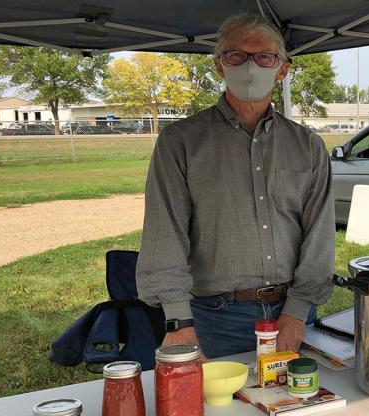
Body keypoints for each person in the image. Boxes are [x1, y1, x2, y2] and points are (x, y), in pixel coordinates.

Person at [135, 13, 335, 360]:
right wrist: (178, 319)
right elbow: (164, 234)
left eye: (264, 57)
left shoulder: (308, 145)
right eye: (236, 56)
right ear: (219, 66)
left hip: (292, 313)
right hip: (216, 317)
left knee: (296, 407)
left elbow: (319, 234)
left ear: (282, 69)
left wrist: (298, 309)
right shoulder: (181, 142)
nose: (250, 66)